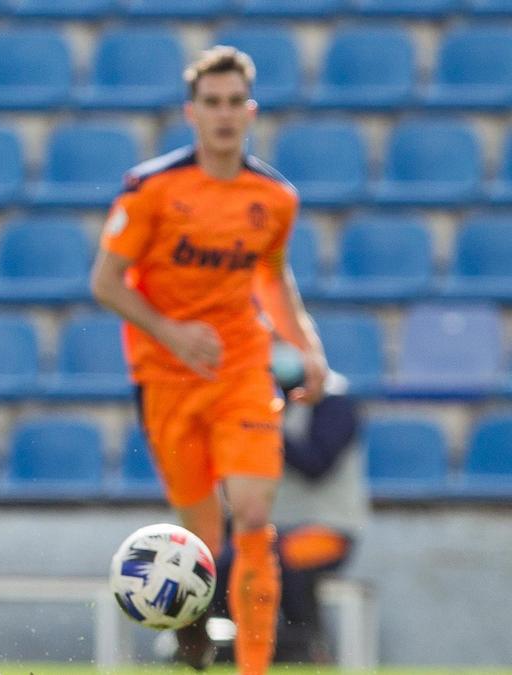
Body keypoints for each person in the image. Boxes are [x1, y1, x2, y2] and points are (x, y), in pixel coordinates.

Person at [89, 46, 328, 674]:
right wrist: (171, 332)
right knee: (202, 538)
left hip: (242, 367)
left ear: (249, 112)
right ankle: (193, 642)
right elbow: (107, 281)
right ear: (192, 112)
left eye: (234, 104)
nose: (224, 115)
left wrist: (305, 343)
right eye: (211, 103)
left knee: (253, 515)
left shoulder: (274, 198)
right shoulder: (153, 189)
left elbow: (271, 280)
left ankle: (253, 666)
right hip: (166, 375)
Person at [208, 344, 367, 664]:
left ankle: (305, 645)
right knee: (226, 562)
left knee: (281, 559)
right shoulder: (265, 402)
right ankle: (229, 640)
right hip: (272, 529)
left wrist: (267, 426)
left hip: (327, 529)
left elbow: (317, 463)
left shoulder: (333, 403)